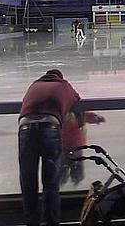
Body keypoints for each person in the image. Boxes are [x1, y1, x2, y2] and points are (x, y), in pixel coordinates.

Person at [18, 69, 81, 226]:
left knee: (28, 180)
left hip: (25, 128)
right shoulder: (63, 85)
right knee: (51, 181)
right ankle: (51, 222)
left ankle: (31, 221)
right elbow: (77, 99)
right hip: (49, 127)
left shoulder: (34, 85)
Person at [61, 109, 105, 187]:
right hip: (68, 145)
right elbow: (87, 116)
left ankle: (73, 183)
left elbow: (87, 116)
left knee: (72, 166)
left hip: (74, 145)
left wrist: (96, 118)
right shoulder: (76, 114)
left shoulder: (79, 114)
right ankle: (68, 183)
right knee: (67, 166)